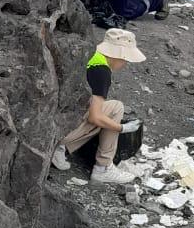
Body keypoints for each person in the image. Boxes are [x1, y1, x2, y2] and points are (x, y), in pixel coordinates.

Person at [51, 28, 145, 184]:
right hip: (60, 130)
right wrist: (122, 128)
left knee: (101, 109)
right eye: (126, 58)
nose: (125, 63)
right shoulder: (102, 72)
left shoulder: (92, 55)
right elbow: (95, 117)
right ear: (118, 53)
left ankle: (60, 147)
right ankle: (103, 168)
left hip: (56, 117)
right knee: (116, 108)